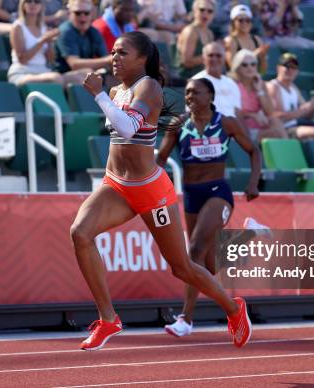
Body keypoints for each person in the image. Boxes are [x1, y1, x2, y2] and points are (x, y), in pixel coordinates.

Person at [71, 31, 252, 351]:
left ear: (142, 58)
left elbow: (128, 127)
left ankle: (234, 309)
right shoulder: (116, 89)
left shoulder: (149, 87)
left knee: (181, 266)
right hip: (115, 184)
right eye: (112, 52)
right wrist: (103, 94)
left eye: (122, 53)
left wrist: (99, 96)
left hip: (150, 190)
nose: (114, 58)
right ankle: (108, 318)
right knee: (80, 233)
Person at [157, 77, 261, 337]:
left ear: (210, 97)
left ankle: (186, 319)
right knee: (209, 266)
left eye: (196, 92)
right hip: (192, 195)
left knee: (193, 251)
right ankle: (251, 234)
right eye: (187, 93)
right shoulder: (178, 124)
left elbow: (254, 151)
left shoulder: (226, 123)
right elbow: (160, 158)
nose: (190, 96)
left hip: (218, 192)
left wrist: (253, 182)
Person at [8, 0, 88, 86]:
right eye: (29, 1)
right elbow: (22, 59)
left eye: (37, 2)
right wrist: (42, 41)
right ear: (23, 5)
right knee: (55, 78)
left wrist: (50, 43)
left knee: (86, 75)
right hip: (22, 73)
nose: (32, 4)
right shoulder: (17, 27)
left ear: (42, 6)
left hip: (43, 71)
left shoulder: (44, 28)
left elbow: (50, 60)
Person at [230, 49, 286, 141]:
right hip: (242, 128)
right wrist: (252, 115)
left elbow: (270, 112)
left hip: (260, 126)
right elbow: (232, 112)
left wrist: (259, 91)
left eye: (253, 64)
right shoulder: (232, 84)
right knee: (277, 133)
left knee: (275, 121)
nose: (249, 68)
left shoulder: (260, 84)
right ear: (237, 67)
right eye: (244, 65)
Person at [55, 0, 111, 74]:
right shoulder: (65, 31)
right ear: (69, 13)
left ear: (92, 14)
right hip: (63, 77)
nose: (82, 16)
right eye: (77, 13)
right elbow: (74, 64)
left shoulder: (94, 31)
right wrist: (109, 60)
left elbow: (106, 58)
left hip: (85, 76)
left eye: (86, 13)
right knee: (87, 73)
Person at [192, 42, 242, 118]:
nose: (214, 59)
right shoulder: (197, 82)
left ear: (224, 58)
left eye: (218, 56)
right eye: (210, 55)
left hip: (232, 126)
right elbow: (196, 114)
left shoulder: (231, 83)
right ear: (203, 58)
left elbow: (237, 112)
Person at [223, 4, 269, 75]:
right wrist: (254, 55)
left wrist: (262, 57)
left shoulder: (257, 39)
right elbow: (232, 68)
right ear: (233, 22)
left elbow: (263, 71)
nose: (244, 23)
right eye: (240, 20)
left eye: (247, 20)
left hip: (253, 82)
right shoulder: (230, 40)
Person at [175, 0, 215, 80]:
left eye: (210, 11)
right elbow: (186, 62)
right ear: (194, 11)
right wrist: (209, 57)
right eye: (202, 10)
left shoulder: (209, 33)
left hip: (204, 77)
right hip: (188, 78)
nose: (205, 13)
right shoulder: (191, 31)